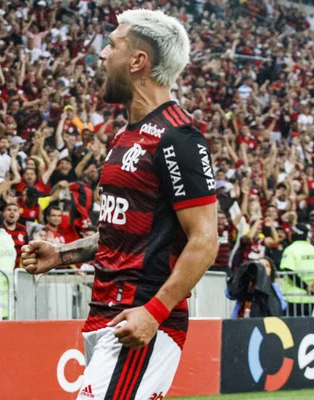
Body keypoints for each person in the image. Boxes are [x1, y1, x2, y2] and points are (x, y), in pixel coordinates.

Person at [22, 10, 218, 399]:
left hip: (140, 319)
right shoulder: (128, 135)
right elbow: (124, 231)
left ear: (138, 61)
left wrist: (154, 312)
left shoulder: (178, 137)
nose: (102, 55)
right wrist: (62, 254)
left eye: (112, 45)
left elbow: (204, 240)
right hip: (107, 315)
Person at [279, 223, 314, 317]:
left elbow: (289, 271)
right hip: (311, 297)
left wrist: (306, 287)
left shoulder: (290, 250)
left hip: (293, 297)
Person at [3, 202, 28, 269]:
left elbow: (26, 250)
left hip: (16, 271)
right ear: (4, 213)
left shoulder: (23, 230)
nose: (12, 212)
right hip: (1, 269)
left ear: (19, 214)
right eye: (9, 210)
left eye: (15, 210)